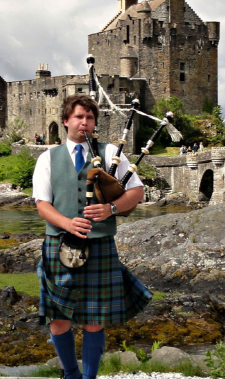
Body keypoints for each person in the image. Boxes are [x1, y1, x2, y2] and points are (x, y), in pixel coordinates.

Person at [32, 95, 150, 379]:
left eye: (89, 117)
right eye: (78, 117)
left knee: (95, 320)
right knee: (58, 320)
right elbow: (42, 205)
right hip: (59, 245)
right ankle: (71, 374)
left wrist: (111, 209)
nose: (84, 123)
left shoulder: (111, 154)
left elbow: (136, 192)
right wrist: (67, 224)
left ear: (95, 122)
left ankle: (89, 378)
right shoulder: (48, 158)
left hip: (99, 246)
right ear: (66, 121)